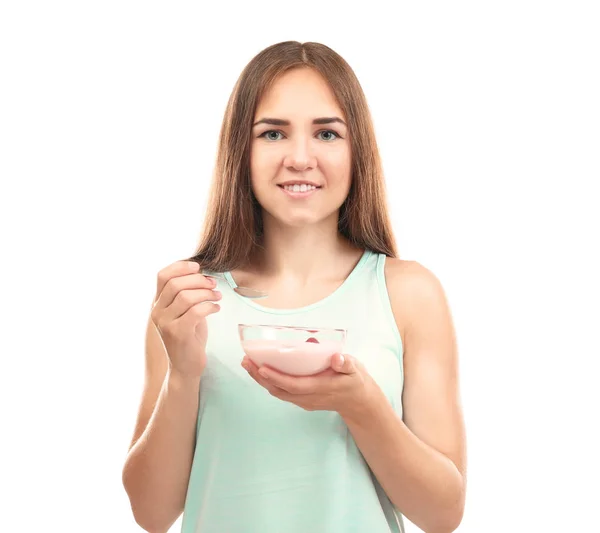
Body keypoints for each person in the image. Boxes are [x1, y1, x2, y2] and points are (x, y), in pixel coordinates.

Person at [122, 40, 467, 533]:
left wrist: (361, 405)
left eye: (327, 133)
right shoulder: (189, 299)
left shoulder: (410, 293)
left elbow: (443, 514)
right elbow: (151, 515)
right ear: (241, 149)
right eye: (273, 133)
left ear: (357, 151)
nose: (300, 158)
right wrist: (183, 373)